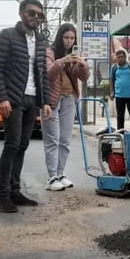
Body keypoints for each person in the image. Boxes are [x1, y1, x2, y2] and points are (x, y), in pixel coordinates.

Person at [0, 0, 52, 213]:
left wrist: (45, 101)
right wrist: (2, 97)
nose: (35, 18)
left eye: (39, 15)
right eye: (31, 13)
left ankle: (15, 191)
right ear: (21, 14)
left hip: (31, 99)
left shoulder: (41, 41)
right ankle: (2, 196)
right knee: (12, 145)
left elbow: (42, 73)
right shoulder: (7, 36)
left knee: (23, 146)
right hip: (13, 98)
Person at [43, 23, 89, 191]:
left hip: (70, 99)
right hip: (52, 100)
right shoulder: (50, 52)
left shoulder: (75, 54)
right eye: (66, 38)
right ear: (60, 37)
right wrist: (62, 61)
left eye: (72, 38)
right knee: (52, 139)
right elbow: (48, 74)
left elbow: (84, 77)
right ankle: (51, 177)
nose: (69, 41)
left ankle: (60, 174)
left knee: (65, 140)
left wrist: (84, 64)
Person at [109, 49, 130, 132]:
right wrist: (112, 92)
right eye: (118, 57)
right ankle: (120, 133)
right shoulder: (114, 68)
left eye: (122, 57)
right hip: (119, 96)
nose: (120, 59)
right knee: (120, 116)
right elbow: (112, 80)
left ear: (125, 57)